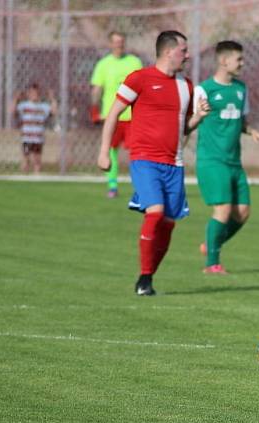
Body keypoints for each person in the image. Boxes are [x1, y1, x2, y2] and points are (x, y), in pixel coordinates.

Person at [97, 30, 210, 296]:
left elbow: (183, 130)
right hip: (144, 159)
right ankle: (145, 279)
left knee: (168, 223)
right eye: (184, 50)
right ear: (169, 51)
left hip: (175, 164)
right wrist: (104, 151)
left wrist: (198, 118)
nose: (188, 55)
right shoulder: (139, 78)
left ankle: (146, 278)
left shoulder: (187, 86)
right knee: (156, 212)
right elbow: (113, 114)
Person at [193, 40, 259, 274]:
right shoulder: (203, 90)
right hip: (211, 161)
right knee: (223, 210)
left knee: (243, 212)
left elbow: (241, 120)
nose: (242, 63)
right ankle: (212, 264)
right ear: (224, 61)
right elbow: (190, 122)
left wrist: (253, 131)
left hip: (234, 161)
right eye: (239, 59)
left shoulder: (240, 89)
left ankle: (211, 245)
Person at [91, 31, 143, 198]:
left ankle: (141, 185)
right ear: (110, 44)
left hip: (132, 116)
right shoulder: (103, 64)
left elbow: (143, 86)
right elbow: (97, 89)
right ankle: (112, 185)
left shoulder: (134, 62)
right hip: (111, 116)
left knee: (137, 151)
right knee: (110, 150)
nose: (119, 45)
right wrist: (94, 109)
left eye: (121, 42)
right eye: (115, 42)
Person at [10, 83, 57, 173]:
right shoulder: (24, 106)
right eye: (31, 93)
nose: (34, 95)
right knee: (25, 158)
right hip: (27, 138)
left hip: (38, 139)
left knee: (37, 160)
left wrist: (52, 98)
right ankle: (24, 176)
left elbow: (54, 112)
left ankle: (36, 176)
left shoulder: (43, 106)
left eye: (36, 93)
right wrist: (15, 99)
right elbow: (12, 111)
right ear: (28, 94)